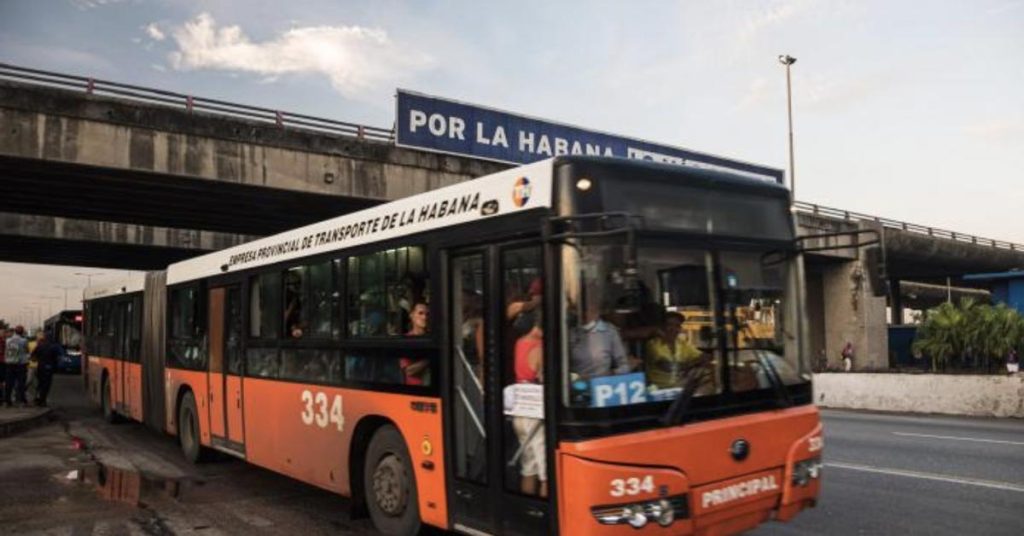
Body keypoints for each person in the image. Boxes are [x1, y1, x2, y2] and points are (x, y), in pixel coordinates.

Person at [512, 311, 546, 497]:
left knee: (528, 468)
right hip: (536, 412)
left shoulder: (520, 342)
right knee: (546, 472)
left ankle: (529, 509)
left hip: (520, 410)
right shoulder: (541, 347)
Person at [570, 300, 631, 380]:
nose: (585, 314)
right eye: (581, 311)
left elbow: (624, 365)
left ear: (596, 312)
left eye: (589, 310)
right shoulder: (571, 333)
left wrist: (610, 374)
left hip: (603, 385)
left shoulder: (609, 332)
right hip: (577, 384)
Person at [644, 312, 702, 389]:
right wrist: (690, 366)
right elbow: (667, 366)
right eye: (669, 325)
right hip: (659, 390)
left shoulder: (682, 343)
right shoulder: (653, 344)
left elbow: (705, 357)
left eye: (677, 326)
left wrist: (692, 366)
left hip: (680, 389)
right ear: (662, 326)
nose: (673, 329)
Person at [399, 302, 430, 385]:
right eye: (420, 313)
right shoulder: (406, 340)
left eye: (427, 314)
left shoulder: (433, 338)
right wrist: (430, 359)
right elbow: (408, 371)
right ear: (412, 315)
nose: (424, 317)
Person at [31, 331, 60, 407]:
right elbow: (57, 358)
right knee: (46, 385)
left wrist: (37, 359)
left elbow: (33, 356)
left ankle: (38, 399)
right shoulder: (54, 347)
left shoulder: (40, 346)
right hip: (49, 367)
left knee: (40, 383)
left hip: (40, 367)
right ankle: (43, 400)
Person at [4, 326, 29, 407]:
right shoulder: (24, 340)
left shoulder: (8, 340)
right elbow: (26, 350)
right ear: (22, 332)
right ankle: (22, 400)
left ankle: (8, 401)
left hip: (9, 363)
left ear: (15, 331)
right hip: (20, 364)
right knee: (21, 382)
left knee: (9, 383)